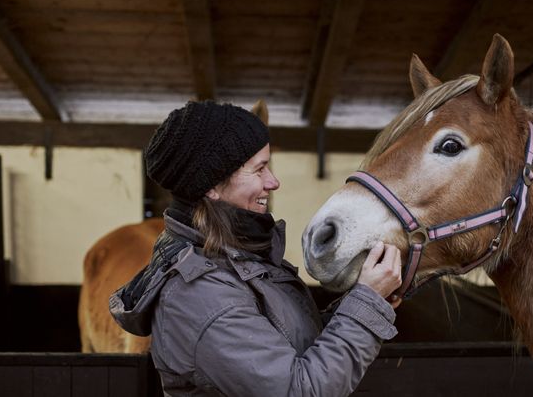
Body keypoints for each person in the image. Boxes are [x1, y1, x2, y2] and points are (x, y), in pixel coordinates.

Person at [110, 100, 402, 396]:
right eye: (259, 169)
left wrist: (362, 302)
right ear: (212, 186)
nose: (273, 182)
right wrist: (365, 303)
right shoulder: (198, 295)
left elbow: (287, 344)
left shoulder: (238, 258)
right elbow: (298, 390)